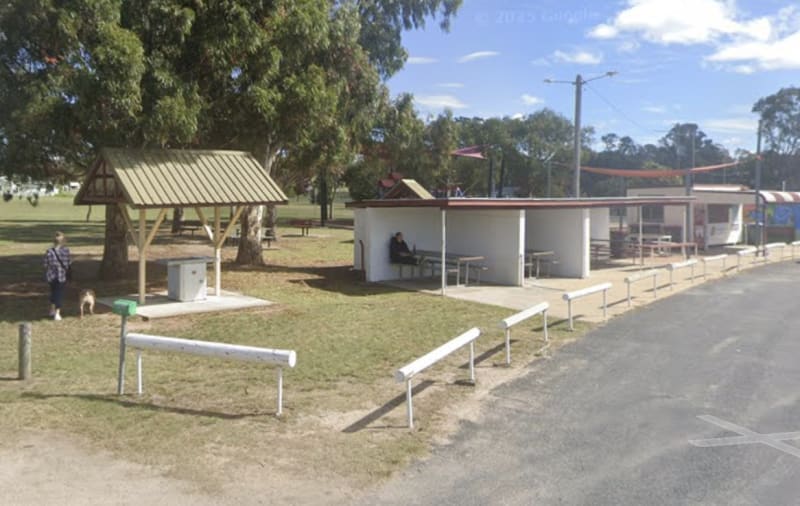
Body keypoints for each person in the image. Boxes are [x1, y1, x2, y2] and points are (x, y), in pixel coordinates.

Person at [44, 231, 71, 321]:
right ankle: (57, 313)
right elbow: (68, 263)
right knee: (59, 294)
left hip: (51, 276)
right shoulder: (66, 251)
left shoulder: (49, 251)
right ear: (63, 241)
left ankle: (52, 309)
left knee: (53, 292)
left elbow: (45, 264)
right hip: (61, 276)